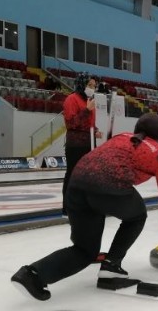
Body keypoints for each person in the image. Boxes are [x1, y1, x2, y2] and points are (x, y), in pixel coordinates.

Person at [11, 114, 158, 301]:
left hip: (75, 186)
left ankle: (31, 274)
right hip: (108, 187)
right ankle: (111, 265)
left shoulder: (123, 136)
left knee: (84, 250)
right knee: (137, 215)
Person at [61, 73, 102, 216]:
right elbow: (71, 123)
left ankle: (85, 205)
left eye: (94, 86)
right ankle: (67, 208)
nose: (93, 88)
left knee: (89, 176)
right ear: (81, 84)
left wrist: (96, 130)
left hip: (90, 144)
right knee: (72, 175)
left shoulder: (89, 101)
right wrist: (86, 110)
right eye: (90, 85)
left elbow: (88, 123)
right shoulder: (71, 99)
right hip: (76, 145)